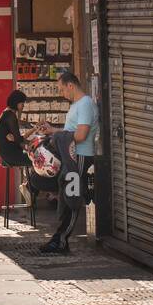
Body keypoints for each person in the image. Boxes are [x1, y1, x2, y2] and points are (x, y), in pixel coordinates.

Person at [37, 71, 99, 256]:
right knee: (65, 196)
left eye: (62, 88)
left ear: (71, 85)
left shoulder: (86, 104)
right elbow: (70, 131)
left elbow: (80, 136)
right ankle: (59, 238)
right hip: (71, 157)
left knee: (72, 199)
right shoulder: (76, 105)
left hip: (80, 157)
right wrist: (54, 131)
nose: (61, 93)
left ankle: (60, 240)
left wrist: (59, 135)